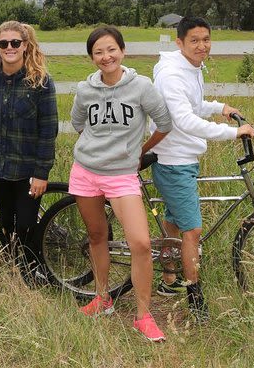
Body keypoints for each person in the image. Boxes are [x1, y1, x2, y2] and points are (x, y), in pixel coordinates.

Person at [150, 16, 254, 321]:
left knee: (173, 221)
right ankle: (196, 303)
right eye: (194, 40)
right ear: (179, 42)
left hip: (182, 158)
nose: (202, 46)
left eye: (206, 39)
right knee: (192, 232)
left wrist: (219, 107)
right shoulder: (172, 75)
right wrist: (232, 133)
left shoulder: (190, 68)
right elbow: (184, 120)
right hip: (174, 161)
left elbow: (193, 104)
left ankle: (168, 280)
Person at [70, 26, 172, 342]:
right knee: (97, 235)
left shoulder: (141, 87)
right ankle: (103, 298)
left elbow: (165, 123)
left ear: (123, 51)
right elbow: (78, 124)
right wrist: (99, 146)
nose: (106, 56)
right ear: (91, 58)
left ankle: (143, 316)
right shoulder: (85, 91)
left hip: (122, 176)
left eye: (111, 49)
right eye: (98, 52)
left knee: (140, 243)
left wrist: (138, 151)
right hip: (85, 171)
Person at [0, 21, 58, 281]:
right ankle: (12, 271)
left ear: (25, 45)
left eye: (15, 43)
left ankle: (32, 272)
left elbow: (48, 131)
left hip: (27, 169)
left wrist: (42, 172)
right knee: (6, 223)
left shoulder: (40, 82)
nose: (9, 47)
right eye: (3, 43)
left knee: (27, 224)